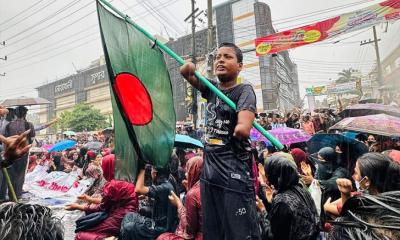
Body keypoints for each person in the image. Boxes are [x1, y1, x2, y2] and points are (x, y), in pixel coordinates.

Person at [180, 42, 260, 239]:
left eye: (227, 56)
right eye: (218, 57)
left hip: (233, 174)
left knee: (239, 232)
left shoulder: (244, 90)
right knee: (213, 231)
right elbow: (186, 72)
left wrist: (240, 126)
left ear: (240, 65)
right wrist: (189, 67)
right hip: (209, 173)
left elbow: (243, 127)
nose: (221, 60)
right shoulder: (212, 88)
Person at [258, 155, 319, 240]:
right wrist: (273, 200)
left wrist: (263, 212)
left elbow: (274, 236)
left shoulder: (282, 203)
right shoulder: (301, 189)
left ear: (274, 176)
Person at [324, 152, 400, 217]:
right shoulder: (392, 198)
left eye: (356, 173)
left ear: (366, 181)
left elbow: (348, 217)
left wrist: (344, 195)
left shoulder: (369, 207)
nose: (353, 176)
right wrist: (345, 193)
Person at [66, 180, 138, 240]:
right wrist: (81, 204)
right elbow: (103, 205)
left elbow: (105, 230)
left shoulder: (122, 214)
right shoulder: (125, 199)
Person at [120, 165, 178, 240]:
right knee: (129, 215)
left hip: (161, 228)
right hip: (159, 222)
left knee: (129, 227)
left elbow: (138, 189)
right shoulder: (167, 182)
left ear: (154, 173)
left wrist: (142, 168)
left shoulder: (165, 187)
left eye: (151, 170)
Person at [157, 156, 204, 240]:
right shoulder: (207, 187)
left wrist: (178, 204)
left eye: (188, 170)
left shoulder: (192, 194)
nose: (186, 174)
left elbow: (190, 229)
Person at [3, 106, 35, 199]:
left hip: (11, 153)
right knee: (20, 174)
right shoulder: (29, 125)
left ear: (15, 114)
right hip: (23, 154)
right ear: (25, 114)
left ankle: (11, 195)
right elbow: (32, 138)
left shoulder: (9, 125)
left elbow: (6, 140)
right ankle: (18, 195)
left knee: (11, 174)